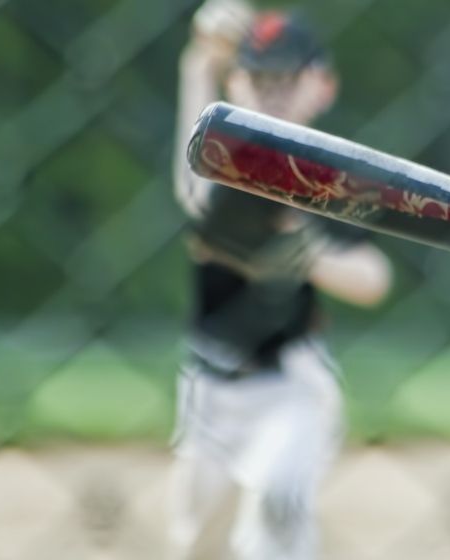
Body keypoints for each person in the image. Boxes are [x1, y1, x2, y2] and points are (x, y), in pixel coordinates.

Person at [169, 2, 393, 558]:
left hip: (292, 382)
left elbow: (374, 278)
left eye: (287, 76)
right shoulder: (223, 165)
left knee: (277, 511)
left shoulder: (330, 175)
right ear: (234, 82)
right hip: (207, 382)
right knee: (197, 543)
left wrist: (305, 256)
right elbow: (193, 195)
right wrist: (199, 63)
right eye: (258, 75)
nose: (272, 88)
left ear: (324, 86)